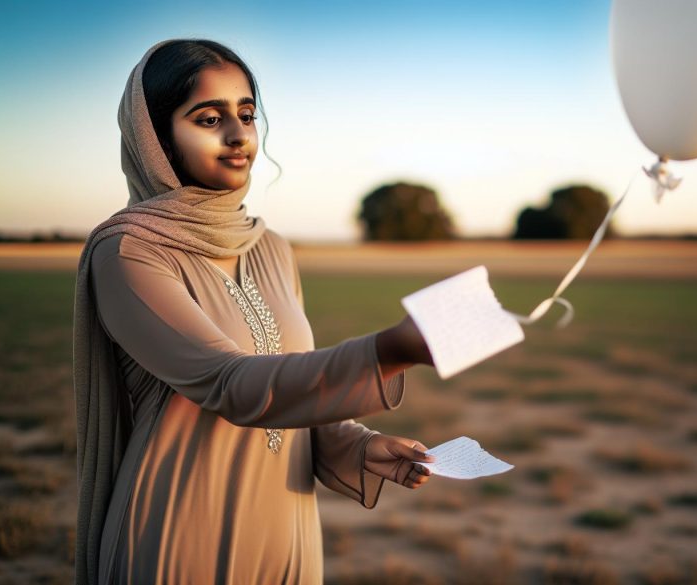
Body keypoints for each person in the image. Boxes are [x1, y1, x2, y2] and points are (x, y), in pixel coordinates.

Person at [72, 39, 437, 584]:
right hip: (180, 529)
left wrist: (358, 445)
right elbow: (231, 384)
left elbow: (293, 384)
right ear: (155, 138)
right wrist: (388, 351)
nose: (239, 134)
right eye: (209, 117)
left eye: (246, 114)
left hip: (286, 525)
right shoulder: (127, 253)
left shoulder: (272, 248)